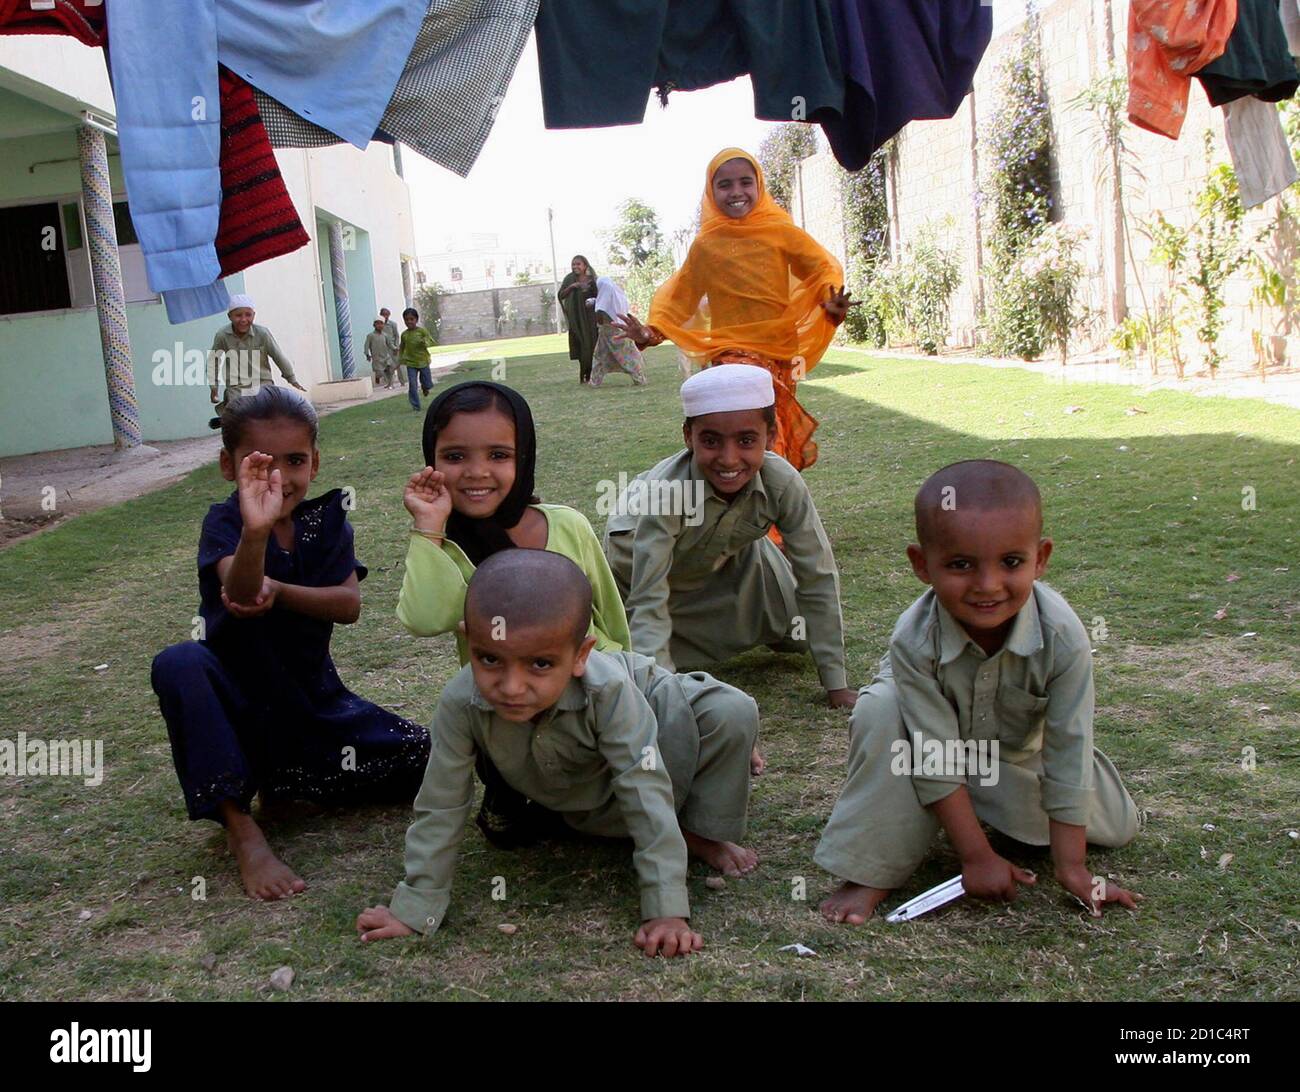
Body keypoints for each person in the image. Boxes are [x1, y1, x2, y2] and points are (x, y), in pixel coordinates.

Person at [357, 549, 759, 957]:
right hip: (586, 779)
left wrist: (666, 910)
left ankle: (700, 831)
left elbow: (644, 786)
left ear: (581, 655)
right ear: (468, 640)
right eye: (490, 659)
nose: (511, 687)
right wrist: (416, 908)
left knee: (731, 712)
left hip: (661, 714)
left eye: (540, 664)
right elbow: (441, 802)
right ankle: (631, 826)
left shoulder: (608, 691)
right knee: (609, 802)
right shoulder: (461, 701)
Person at [816, 460, 1141, 924]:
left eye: (1011, 562)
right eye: (961, 565)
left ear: (1041, 558)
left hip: (1011, 756)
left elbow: (1069, 745)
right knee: (882, 711)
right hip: (927, 746)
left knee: (1118, 827)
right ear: (921, 565)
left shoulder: (1063, 636)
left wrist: (1072, 869)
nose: (987, 586)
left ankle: (960, 805)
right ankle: (872, 869)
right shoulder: (913, 638)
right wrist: (976, 856)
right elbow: (933, 749)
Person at [150, 386, 430, 901]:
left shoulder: (325, 523)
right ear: (227, 466)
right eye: (260, 463)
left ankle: (289, 779)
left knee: (422, 756)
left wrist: (281, 590)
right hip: (237, 710)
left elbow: (348, 606)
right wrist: (255, 533)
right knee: (179, 662)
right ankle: (242, 829)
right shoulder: (226, 522)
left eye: (295, 460)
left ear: (316, 462)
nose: (279, 477)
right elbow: (242, 593)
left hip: (313, 706)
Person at [397, 380, 631, 844]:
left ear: (523, 457)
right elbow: (425, 618)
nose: (476, 472)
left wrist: (638, 681)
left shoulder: (567, 525)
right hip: (511, 706)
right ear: (432, 459)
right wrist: (429, 528)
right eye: (455, 456)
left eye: (499, 455)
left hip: (594, 692)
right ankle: (517, 788)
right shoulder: (446, 544)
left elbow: (612, 618)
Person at [604, 365, 856, 777]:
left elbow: (817, 573)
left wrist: (837, 683)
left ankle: (757, 625)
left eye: (746, 441)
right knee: (635, 663)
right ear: (688, 438)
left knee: (798, 635)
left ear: (771, 438)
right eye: (710, 441)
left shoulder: (782, 482)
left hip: (728, 557)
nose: (728, 459)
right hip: (644, 574)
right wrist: (671, 710)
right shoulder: (666, 494)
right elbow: (648, 601)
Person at [616, 149, 854, 471]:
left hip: (780, 352)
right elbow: (682, 297)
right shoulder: (706, 244)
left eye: (745, 182)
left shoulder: (780, 231)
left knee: (769, 433)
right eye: (725, 185)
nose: (736, 192)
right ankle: (749, 507)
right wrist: (650, 331)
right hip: (729, 353)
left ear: (759, 185)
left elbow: (821, 266)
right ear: (711, 193)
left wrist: (829, 298)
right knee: (738, 423)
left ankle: (772, 507)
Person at [206, 293, 305, 429]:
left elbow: (278, 356)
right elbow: (213, 362)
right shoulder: (222, 335)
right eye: (238, 315)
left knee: (269, 412)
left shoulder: (262, 333)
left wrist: (291, 378)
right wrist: (214, 388)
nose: (243, 319)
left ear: (254, 315)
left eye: (248, 315)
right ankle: (233, 431)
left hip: (262, 383)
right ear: (230, 317)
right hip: (237, 387)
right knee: (238, 416)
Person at [586, 275, 648, 388]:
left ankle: (639, 378)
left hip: (611, 333)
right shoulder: (617, 297)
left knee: (624, 357)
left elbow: (600, 314)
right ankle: (594, 381)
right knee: (600, 356)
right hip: (612, 333)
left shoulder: (603, 303)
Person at [557, 254, 598, 384]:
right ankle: (583, 373)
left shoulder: (592, 280)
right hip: (575, 319)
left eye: (578, 264)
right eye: (573, 264)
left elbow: (599, 296)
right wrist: (572, 287)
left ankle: (590, 373)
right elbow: (561, 295)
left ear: (585, 265)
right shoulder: (569, 279)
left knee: (591, 344)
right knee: (581, 344)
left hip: (590, 318)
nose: (575, 266)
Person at [399, 307, 437, 411]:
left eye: (412, 319)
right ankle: (416, 406)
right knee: (412, 384)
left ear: (416, 319)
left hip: (423, 361)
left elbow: (432, 341)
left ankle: (425, 387)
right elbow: (402, 347)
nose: (409, 322)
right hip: (411, 363)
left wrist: (425, 342)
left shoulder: (422, 331)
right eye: (406, 320)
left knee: (428, 383)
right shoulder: (404, 334)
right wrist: (400, 359)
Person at [364, 317, 398, 388]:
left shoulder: (385, 335)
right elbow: (366, 346)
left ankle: (390, 384)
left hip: (386, 356)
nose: (380, 325)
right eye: (378, 323)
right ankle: (378, 376)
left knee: (390, 370)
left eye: (381, 323)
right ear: (374, 325)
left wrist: (395, 348)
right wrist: (367, 354)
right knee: (380, 372)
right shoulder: (370, 336)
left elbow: (390, 344)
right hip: (377, 358)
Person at [380, 307, 404, 384]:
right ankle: (389, 383)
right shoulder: (379, 325)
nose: (385, 316)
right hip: (383, 348)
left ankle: (402, 381)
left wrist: (396, 347)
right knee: (386, 366)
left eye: (386, 315)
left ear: (389, 315)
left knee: (397, 364)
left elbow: (397, 336)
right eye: (383, 315)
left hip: (393, 347)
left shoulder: (392, 324)